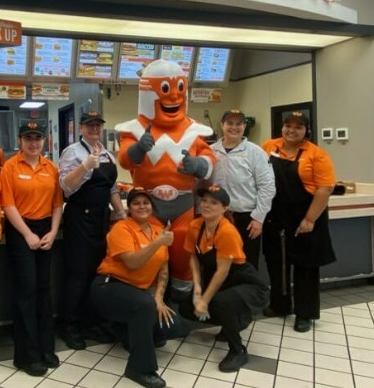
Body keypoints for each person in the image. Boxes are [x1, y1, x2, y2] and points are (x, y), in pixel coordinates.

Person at [116, 60, 215, 302]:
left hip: (183, 204)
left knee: (182, 250)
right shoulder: (137, 128)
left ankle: (180, 304)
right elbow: (125, 159)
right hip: (147, 205)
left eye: (178, 88)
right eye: (165, 89)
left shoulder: (194, 129)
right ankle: (150, 305)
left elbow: (208, 157)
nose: (172, 96)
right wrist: (138, 149)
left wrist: (199, 165)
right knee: (149, 253)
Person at [91, 187, 175, 388]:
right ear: (129, 207)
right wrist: (157, 243)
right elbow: (132, 263)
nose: (142, 206)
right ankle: (140, 369)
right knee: (144, 305)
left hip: (139, 293)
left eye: (145, 203)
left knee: (174, 327)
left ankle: (125, 332)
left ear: (151, 207)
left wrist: (159, 298)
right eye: (136, 203)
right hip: (109, 287)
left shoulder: (157, 231)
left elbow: (163, 270)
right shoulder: (122, 228)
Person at [179, 185, 269, 372]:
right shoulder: (195, 226)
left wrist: (204, 300)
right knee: (186, 307)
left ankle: (238, 350)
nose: (206, 205)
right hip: (223, 282)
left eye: (213, 202)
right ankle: (233, 322)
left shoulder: (227, 231)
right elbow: (193, 257)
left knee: (221, 301)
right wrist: (196, 287)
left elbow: (222, 272)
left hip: (245, 283)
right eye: (204, 201)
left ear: (224, 208)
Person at [261, 111, 336, 333]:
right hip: (276, 217)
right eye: (287, 125)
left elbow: (325, 189)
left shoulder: (317, 154)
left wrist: (310, 219)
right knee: (277, 263)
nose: (291, 130)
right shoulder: (268, 146)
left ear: (306, 130)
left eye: (298, 127)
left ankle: (305, 314)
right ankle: (279, 305)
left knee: (305, 268)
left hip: (306, 217)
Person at [58, 110, 126, 349]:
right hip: (80, 219)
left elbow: (112, 189)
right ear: (81, 128)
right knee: (77, 275)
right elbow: (66, 187)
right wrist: (86, 166)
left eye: (98, 125)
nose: (94, 129)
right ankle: (69, 325)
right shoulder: (73, 152)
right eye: (90, 125)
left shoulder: (108, 154)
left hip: (101, 220)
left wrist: (120, 214)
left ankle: (90, 323)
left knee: (96, 273)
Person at [0, 120, 64, 376]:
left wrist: (53, 231)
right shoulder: (9, 167)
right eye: (28, 138)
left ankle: (46, 348)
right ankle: (27, 355)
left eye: (38, 138)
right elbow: (8, 205)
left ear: (44, 141)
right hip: (20, 230)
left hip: (46, 228)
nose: (33, 143)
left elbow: (57, 204)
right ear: (20, 141)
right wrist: (26, 234)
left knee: (43, 289)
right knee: (26, 290)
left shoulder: (52, 168)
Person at [210, 109, 275, 270]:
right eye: (230, 123)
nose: (234, 127)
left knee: (246, 265)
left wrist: (258, 218)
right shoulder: (210, 151)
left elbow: (267, 187)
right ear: (222, 125)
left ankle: (247, 295)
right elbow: (201, 184)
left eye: (239, 123)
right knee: (216, 265)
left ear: (244, 126)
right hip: (216, 217)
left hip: (246, 219)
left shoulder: (256, 152)